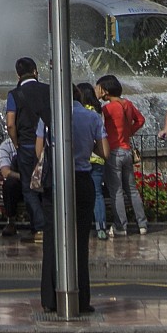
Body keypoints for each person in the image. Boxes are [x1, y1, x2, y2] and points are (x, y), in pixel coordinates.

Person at [37, 86, 100, 314]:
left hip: (56, 181)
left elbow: (38, 151)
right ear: (79, 97)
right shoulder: (92, 116)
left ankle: (49, 299)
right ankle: (81, 298)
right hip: (82, 179)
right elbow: (105, 151)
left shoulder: (49, 117)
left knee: (52, 240)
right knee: (81, 243)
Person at [95, 76, 148, 237]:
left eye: (99, 88)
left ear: (105, 90)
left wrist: (95, 98)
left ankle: (121, 226)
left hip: (113, 151)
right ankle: (142, 224)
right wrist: (128, 133)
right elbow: (140, 120)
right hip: (126, 151)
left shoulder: (108, 108)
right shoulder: (128, 105)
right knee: (132, 190)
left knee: (116, 191)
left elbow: (96, 122)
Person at [7, 58, 52, 241]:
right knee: (47, 184)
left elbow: (10, 124)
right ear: (35, 71)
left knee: (29, 187)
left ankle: (39, 228)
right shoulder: (48, 89)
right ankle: (49, 225)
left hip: (25, 145)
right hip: (48, 144)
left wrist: (16, 142)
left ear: (18, 75)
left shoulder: (14, 94)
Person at [72, 82, 110, 237]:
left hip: (77, 163)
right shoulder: (97, 112)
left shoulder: (74, 113)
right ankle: (101, 227)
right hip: (95, 160)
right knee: (97, 193)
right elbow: (104, 148)